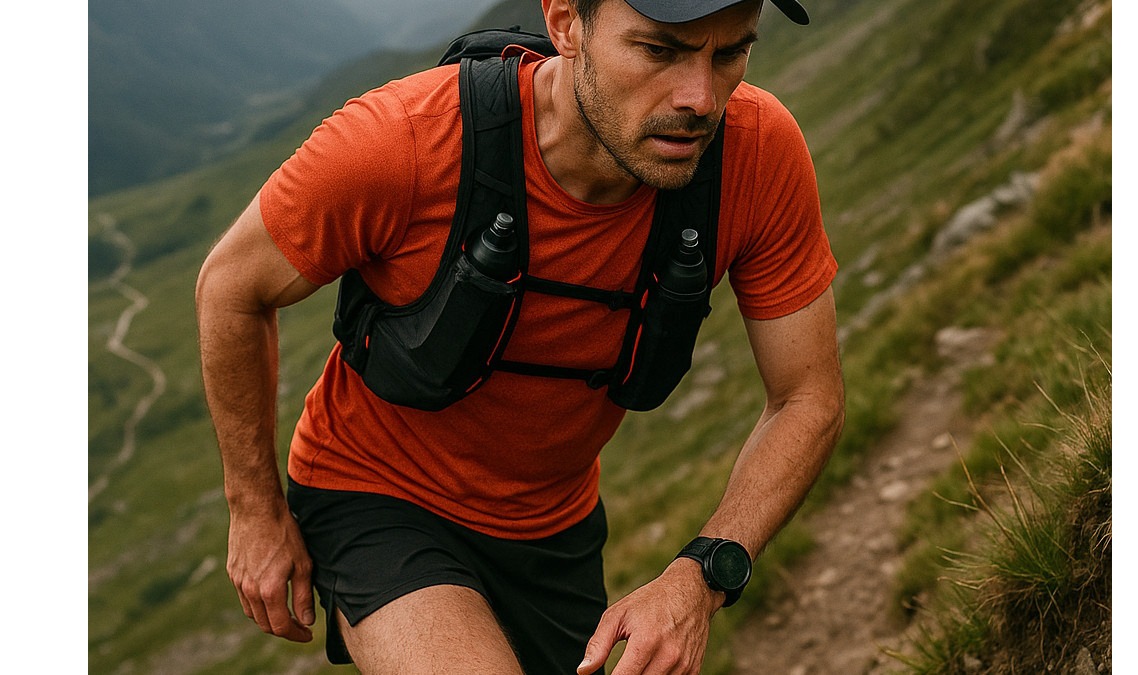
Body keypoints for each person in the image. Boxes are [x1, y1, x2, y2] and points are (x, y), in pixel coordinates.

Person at [195, 0, 844, 672]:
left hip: (554, 529)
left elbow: (807, 396)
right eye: (658, 50)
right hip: (377, 494)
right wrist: (254, 510)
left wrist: (700, 576)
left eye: (731, 52)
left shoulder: (758, 152)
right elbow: (231, 287)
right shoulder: (403, 141)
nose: (700, 98)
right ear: (565, 24)